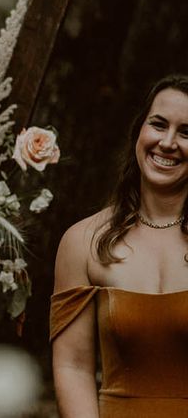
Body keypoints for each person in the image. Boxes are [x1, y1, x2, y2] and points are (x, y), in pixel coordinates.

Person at [51, 74, 188, 417]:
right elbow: (73, 367)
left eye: (187, 132)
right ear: (138, 131)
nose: (168, 142)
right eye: (158, 124)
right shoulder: (83, 241)